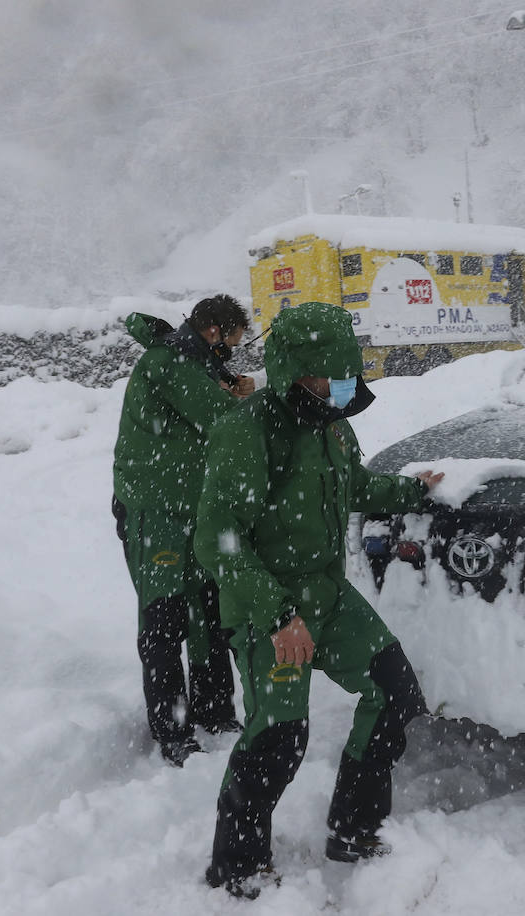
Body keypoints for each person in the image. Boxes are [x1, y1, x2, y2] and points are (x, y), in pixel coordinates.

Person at [194, 302, 442, 897]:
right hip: (269, 606)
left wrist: (413, 489)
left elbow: (353, 485)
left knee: (394, 693)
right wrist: (278, 615)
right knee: (279, 735)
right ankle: (238, 863)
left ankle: (354, 830)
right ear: (291, 374)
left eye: (346, 380)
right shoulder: (247, 431)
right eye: (326, 380)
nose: (339, 391)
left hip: (327, 596)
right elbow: (217, 540)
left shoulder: (331, 421)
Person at [112, 294, 257, 766]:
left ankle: (213, 710)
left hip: (193, 511)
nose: (230, 353)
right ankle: (171, 729)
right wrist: (253, 398)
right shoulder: (168, 363)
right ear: (213, 331)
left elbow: (210, 401)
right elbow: (223, 419)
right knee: (164, 622)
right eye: (231, 343)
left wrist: (226, 382)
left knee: (210, 613)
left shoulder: (192, 363)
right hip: (157, 515)